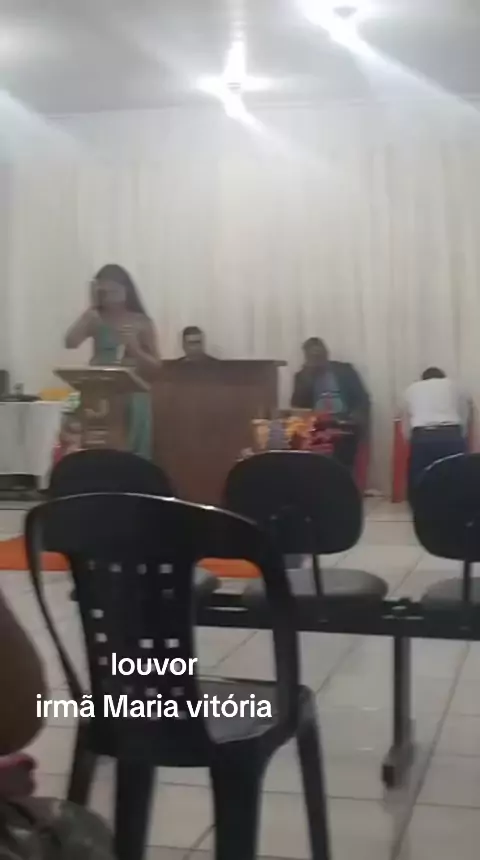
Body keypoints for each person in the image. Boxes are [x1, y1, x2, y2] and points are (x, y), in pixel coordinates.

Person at [65, 264, 161, 459]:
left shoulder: (141, 322)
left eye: (114, 290)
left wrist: (135, 349)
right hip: (100, 394)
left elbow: (156, 367)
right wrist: (91, 309)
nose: (109, 296)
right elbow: (70, 342)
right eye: (104, 292)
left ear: (126, 290)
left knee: (130, 459)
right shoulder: (95, 318)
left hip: (131, 395)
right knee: (98, 455)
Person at [291, 337, 370, 469]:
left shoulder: (345, 370)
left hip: (344, 426)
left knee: (343, 467)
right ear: (306, 357)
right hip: (317, 429)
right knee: (317, 465)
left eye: (319, 353)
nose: (317, 358)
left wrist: (355, 423)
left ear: (326, 353)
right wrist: (308, 376)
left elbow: (362, 400)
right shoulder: (302, 376)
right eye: (313, 355)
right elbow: (297, 407)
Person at [402, 366, 470, 503]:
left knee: (419, 476)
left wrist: (409, 438)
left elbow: (406, 418)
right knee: (456, 475)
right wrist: (462, 434)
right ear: (443, 377)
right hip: (451, 435)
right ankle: (454, 504)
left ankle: (419, 504)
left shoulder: (411, 389)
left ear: (423, 379)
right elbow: (465, 413)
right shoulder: (454, 385)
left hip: (423, 436)